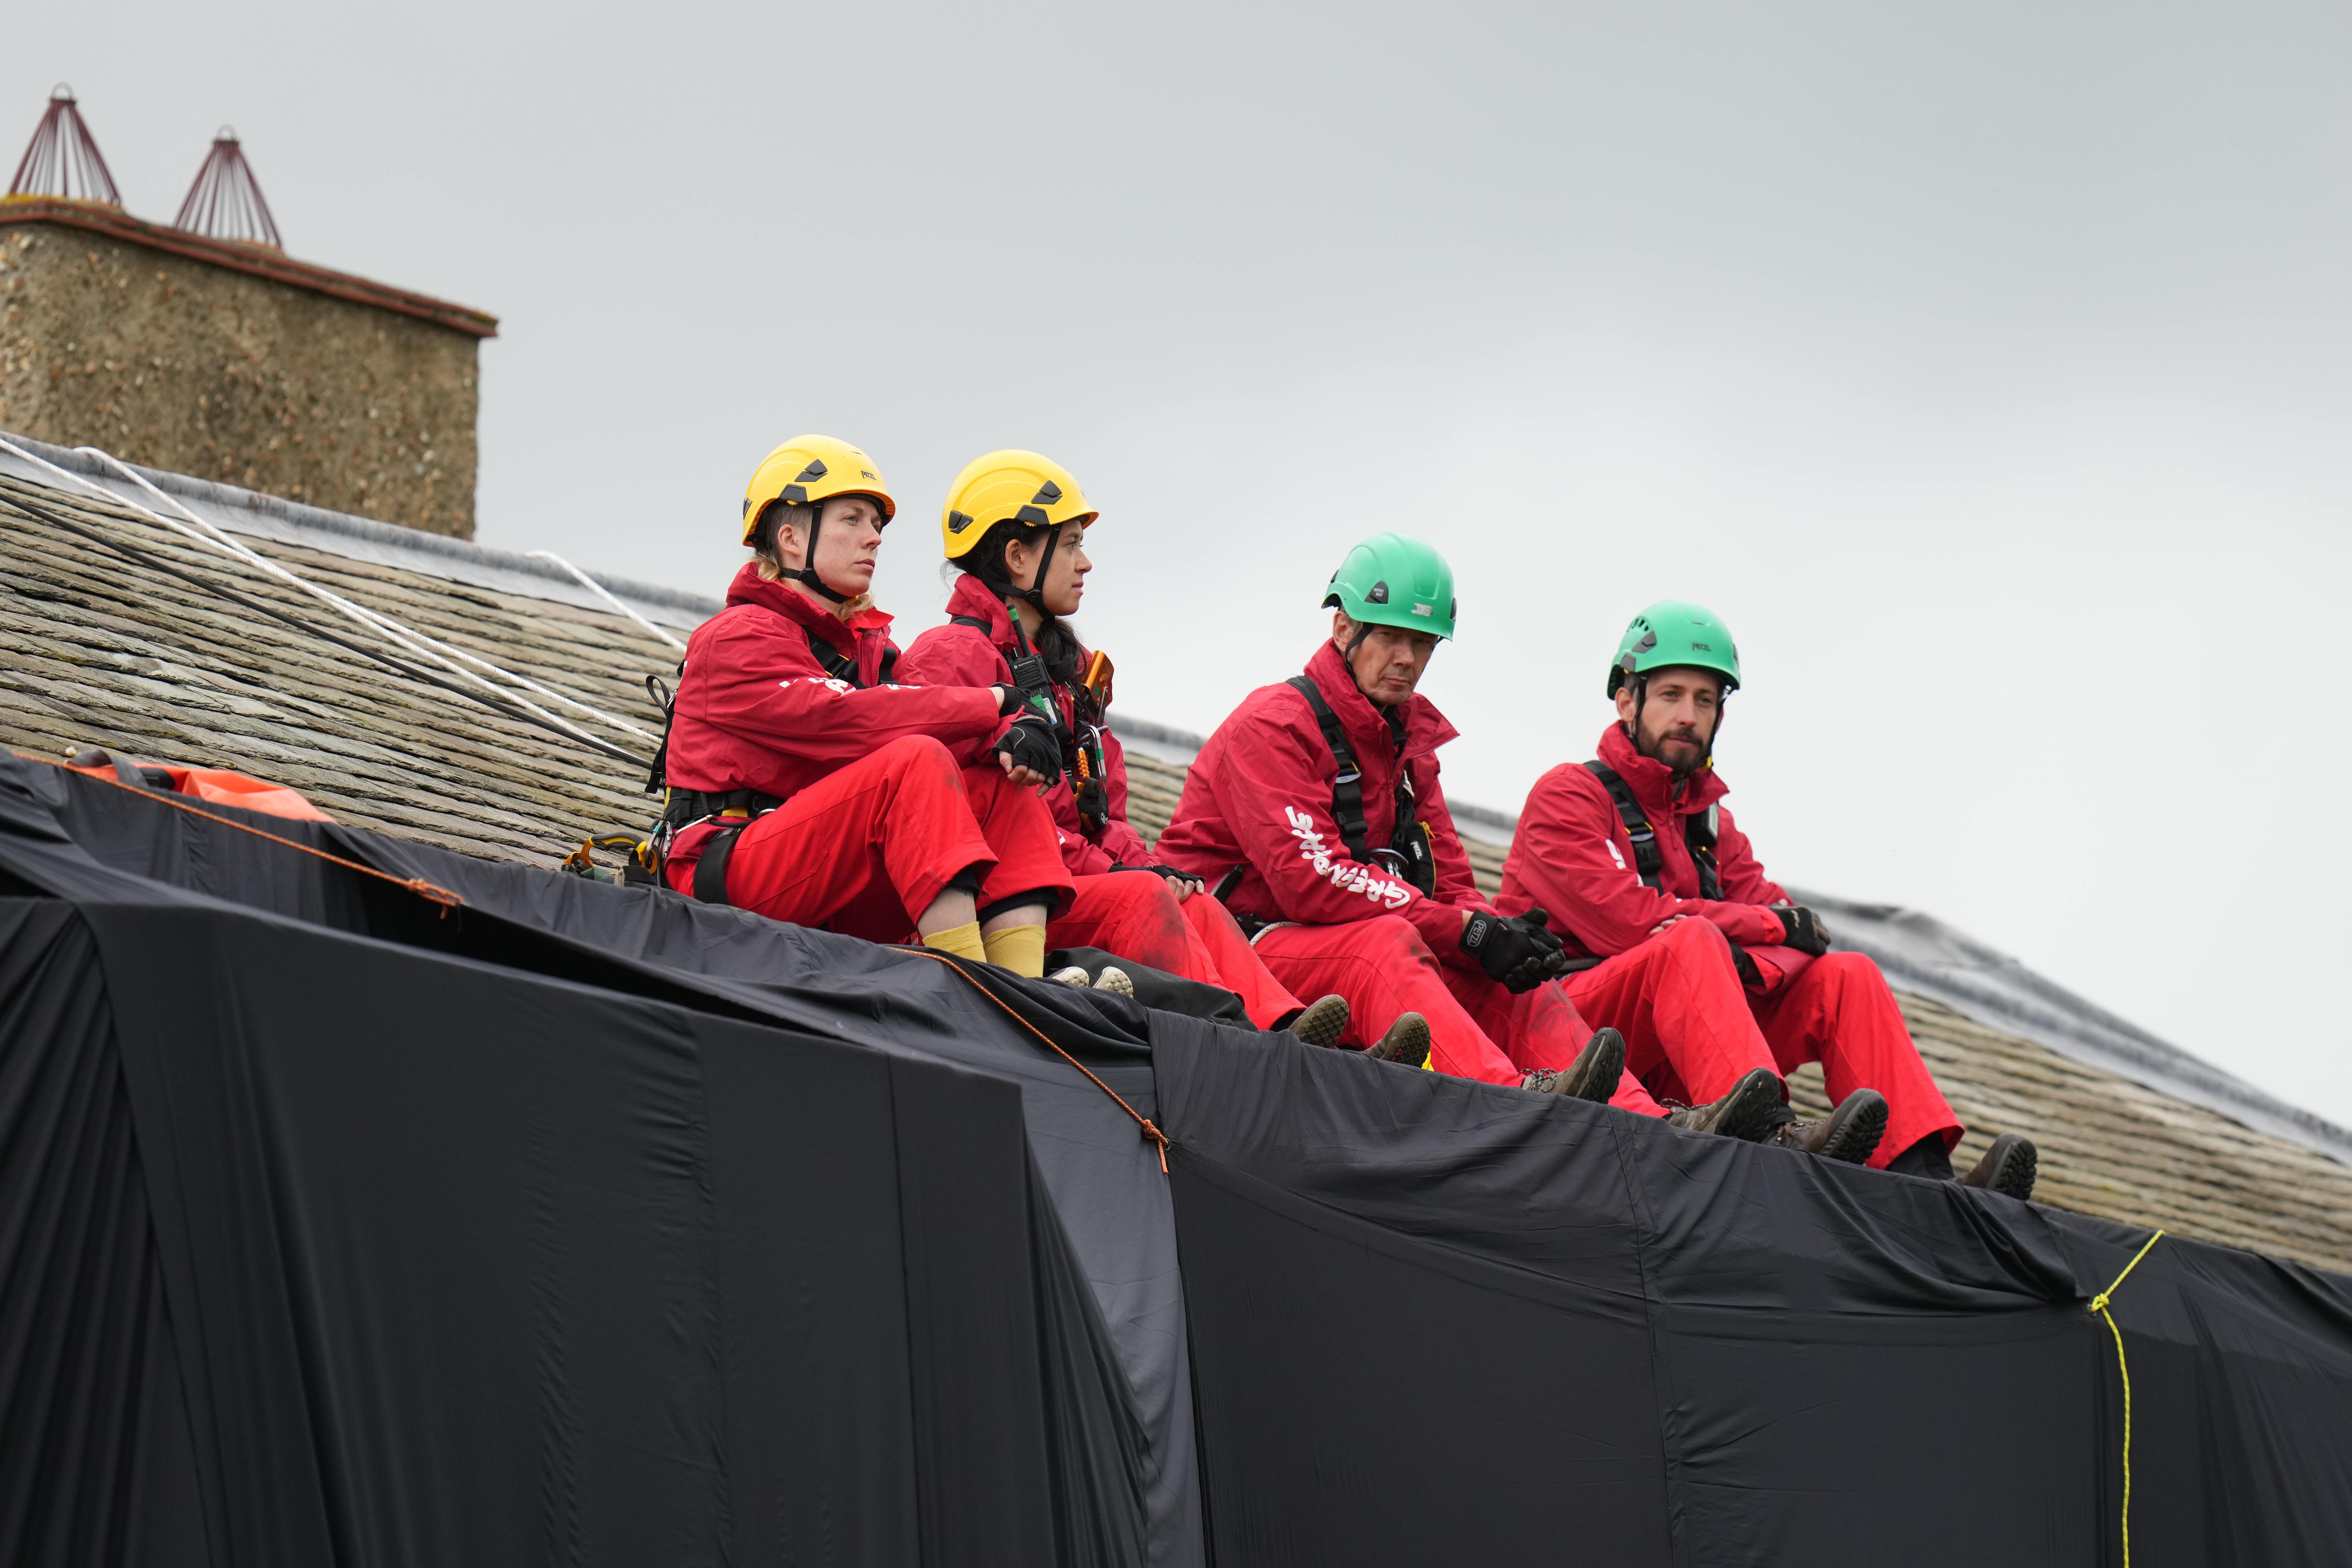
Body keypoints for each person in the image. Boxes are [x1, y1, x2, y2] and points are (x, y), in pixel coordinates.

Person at [1155, 532, 1774, 1128]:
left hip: (1342, 951)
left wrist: (1496, 934)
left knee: (1505, 974)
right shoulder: (1274, 725)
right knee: (1388, 942)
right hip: (1240, 952)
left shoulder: (1409, 753)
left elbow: (1451, 883)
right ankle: (1513, 1103)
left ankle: (1646, 1125)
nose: (1407, 659)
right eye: (1391, 636)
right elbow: (1313, 883)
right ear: (1343, 628)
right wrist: (1469, 931)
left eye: (1423, 642)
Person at [1497, 599, 2038, 1197]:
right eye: (1672, 695)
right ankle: (1770, 1134)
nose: (1689, 716)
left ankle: (1923, 1177)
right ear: (1627, 701)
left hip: (1689, 1045)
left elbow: (1807, 939)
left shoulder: (1711, 827)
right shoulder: (1568, 796)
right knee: (1691, 943)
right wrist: (1753, 936)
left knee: (1848, 975)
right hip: (1577, 1038)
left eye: (1706, 701)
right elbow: (1630, 923)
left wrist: (1743, 955)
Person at [896, 449, 1387, 1054]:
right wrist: (1125, 874)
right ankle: (1248, 1052)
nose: (1086, 562)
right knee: (1145, 896)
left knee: (1193, 900)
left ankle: (1292, 1040)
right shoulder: (949, 657)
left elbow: (1104, 818)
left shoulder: (1071, 674)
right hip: (1006, 906)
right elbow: (966, 814)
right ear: (1017, 557)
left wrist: (1150, 865)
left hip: (1072, 885)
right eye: (1071, 544)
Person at [653, 434, 1077, 976]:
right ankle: (969, 984)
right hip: (726, 877)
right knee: (916, 761)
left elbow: (926, 703)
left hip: (821, 873)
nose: (873, 538)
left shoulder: (869, 648)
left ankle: (1021, 986)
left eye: (876, 525)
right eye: (852, 520)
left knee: (1003, 785)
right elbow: (843, 718)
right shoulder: (737, 636)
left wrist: (1010, 732)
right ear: (790, 539)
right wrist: (997, 702)